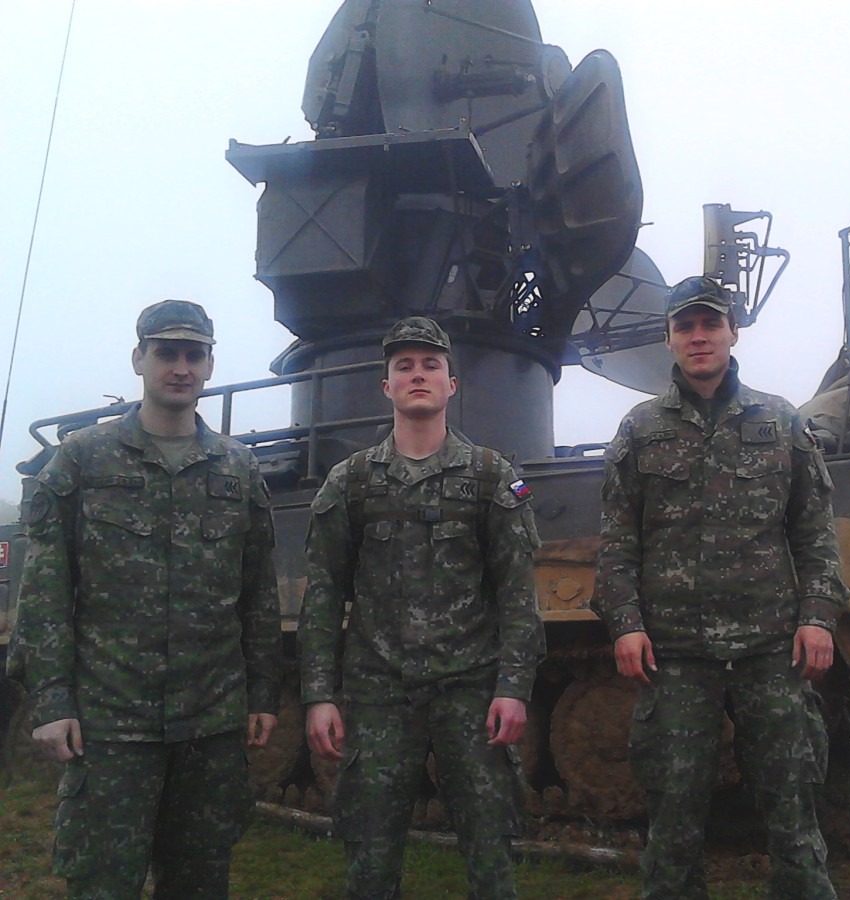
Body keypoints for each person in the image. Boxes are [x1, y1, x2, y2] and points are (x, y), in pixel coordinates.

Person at [7, 299, 282, 899]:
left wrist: (263, 692)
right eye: (166, 353)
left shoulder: (237, 468)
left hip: (209, 722)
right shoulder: (83, 459)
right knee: (104, 883)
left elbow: (258, 593)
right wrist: (51, 698)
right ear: (139, 359)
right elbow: (46, 590)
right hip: (110, 721)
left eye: (194, 355)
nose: (180, 367)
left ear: (209, 365)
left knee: (199, 882)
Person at [594, 276, 850, 899]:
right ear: (669, 339)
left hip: (771, 649)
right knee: (673, 820)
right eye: (685, 326)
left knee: (793, 812)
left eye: (711, 324)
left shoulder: (780, 421)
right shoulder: (640, 429)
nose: (699, 336)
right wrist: (626, 624)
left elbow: (815, 533)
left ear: (733, 332)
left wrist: (818, 616)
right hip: (675, 655)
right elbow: (617, 542)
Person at [300, 316, 545, 900]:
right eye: (404, 366)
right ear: (385, 385)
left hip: (470, 691)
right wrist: (318, 694)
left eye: (431, 365)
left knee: (491, 852)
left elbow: (517, 594)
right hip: (379, 692)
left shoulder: (491, 477)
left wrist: (513, 687)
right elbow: (324, 595)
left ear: (451, 384)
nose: (418, 375)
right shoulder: (351, 481)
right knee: (370, 856)